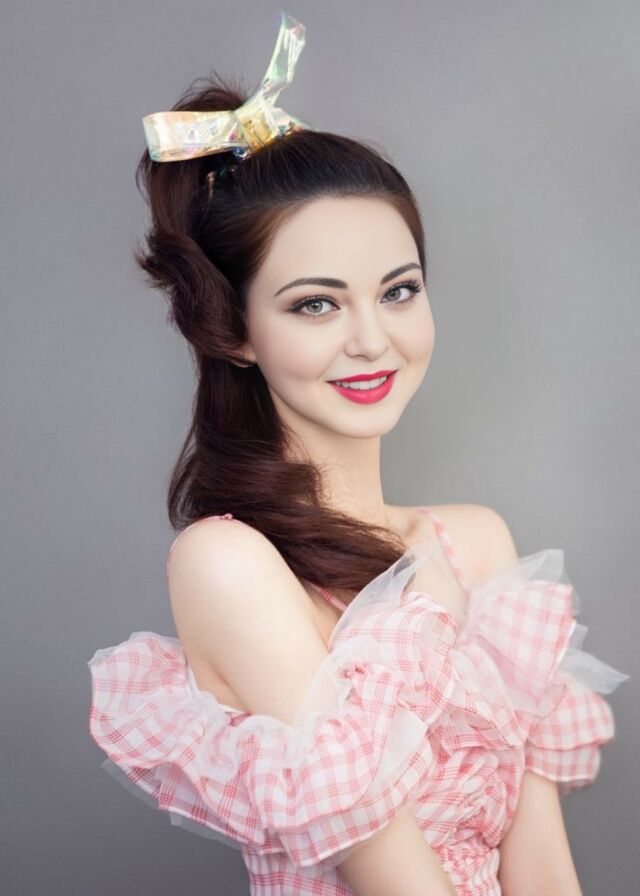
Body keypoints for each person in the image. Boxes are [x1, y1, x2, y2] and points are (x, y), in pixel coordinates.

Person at [86, 10, 630, 896]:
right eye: (316, 304)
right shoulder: (229, 562)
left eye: (399, 291)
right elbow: (393, 877)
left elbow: (544, 869)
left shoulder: (478, 543)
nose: (373, 340)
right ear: (235, 330)